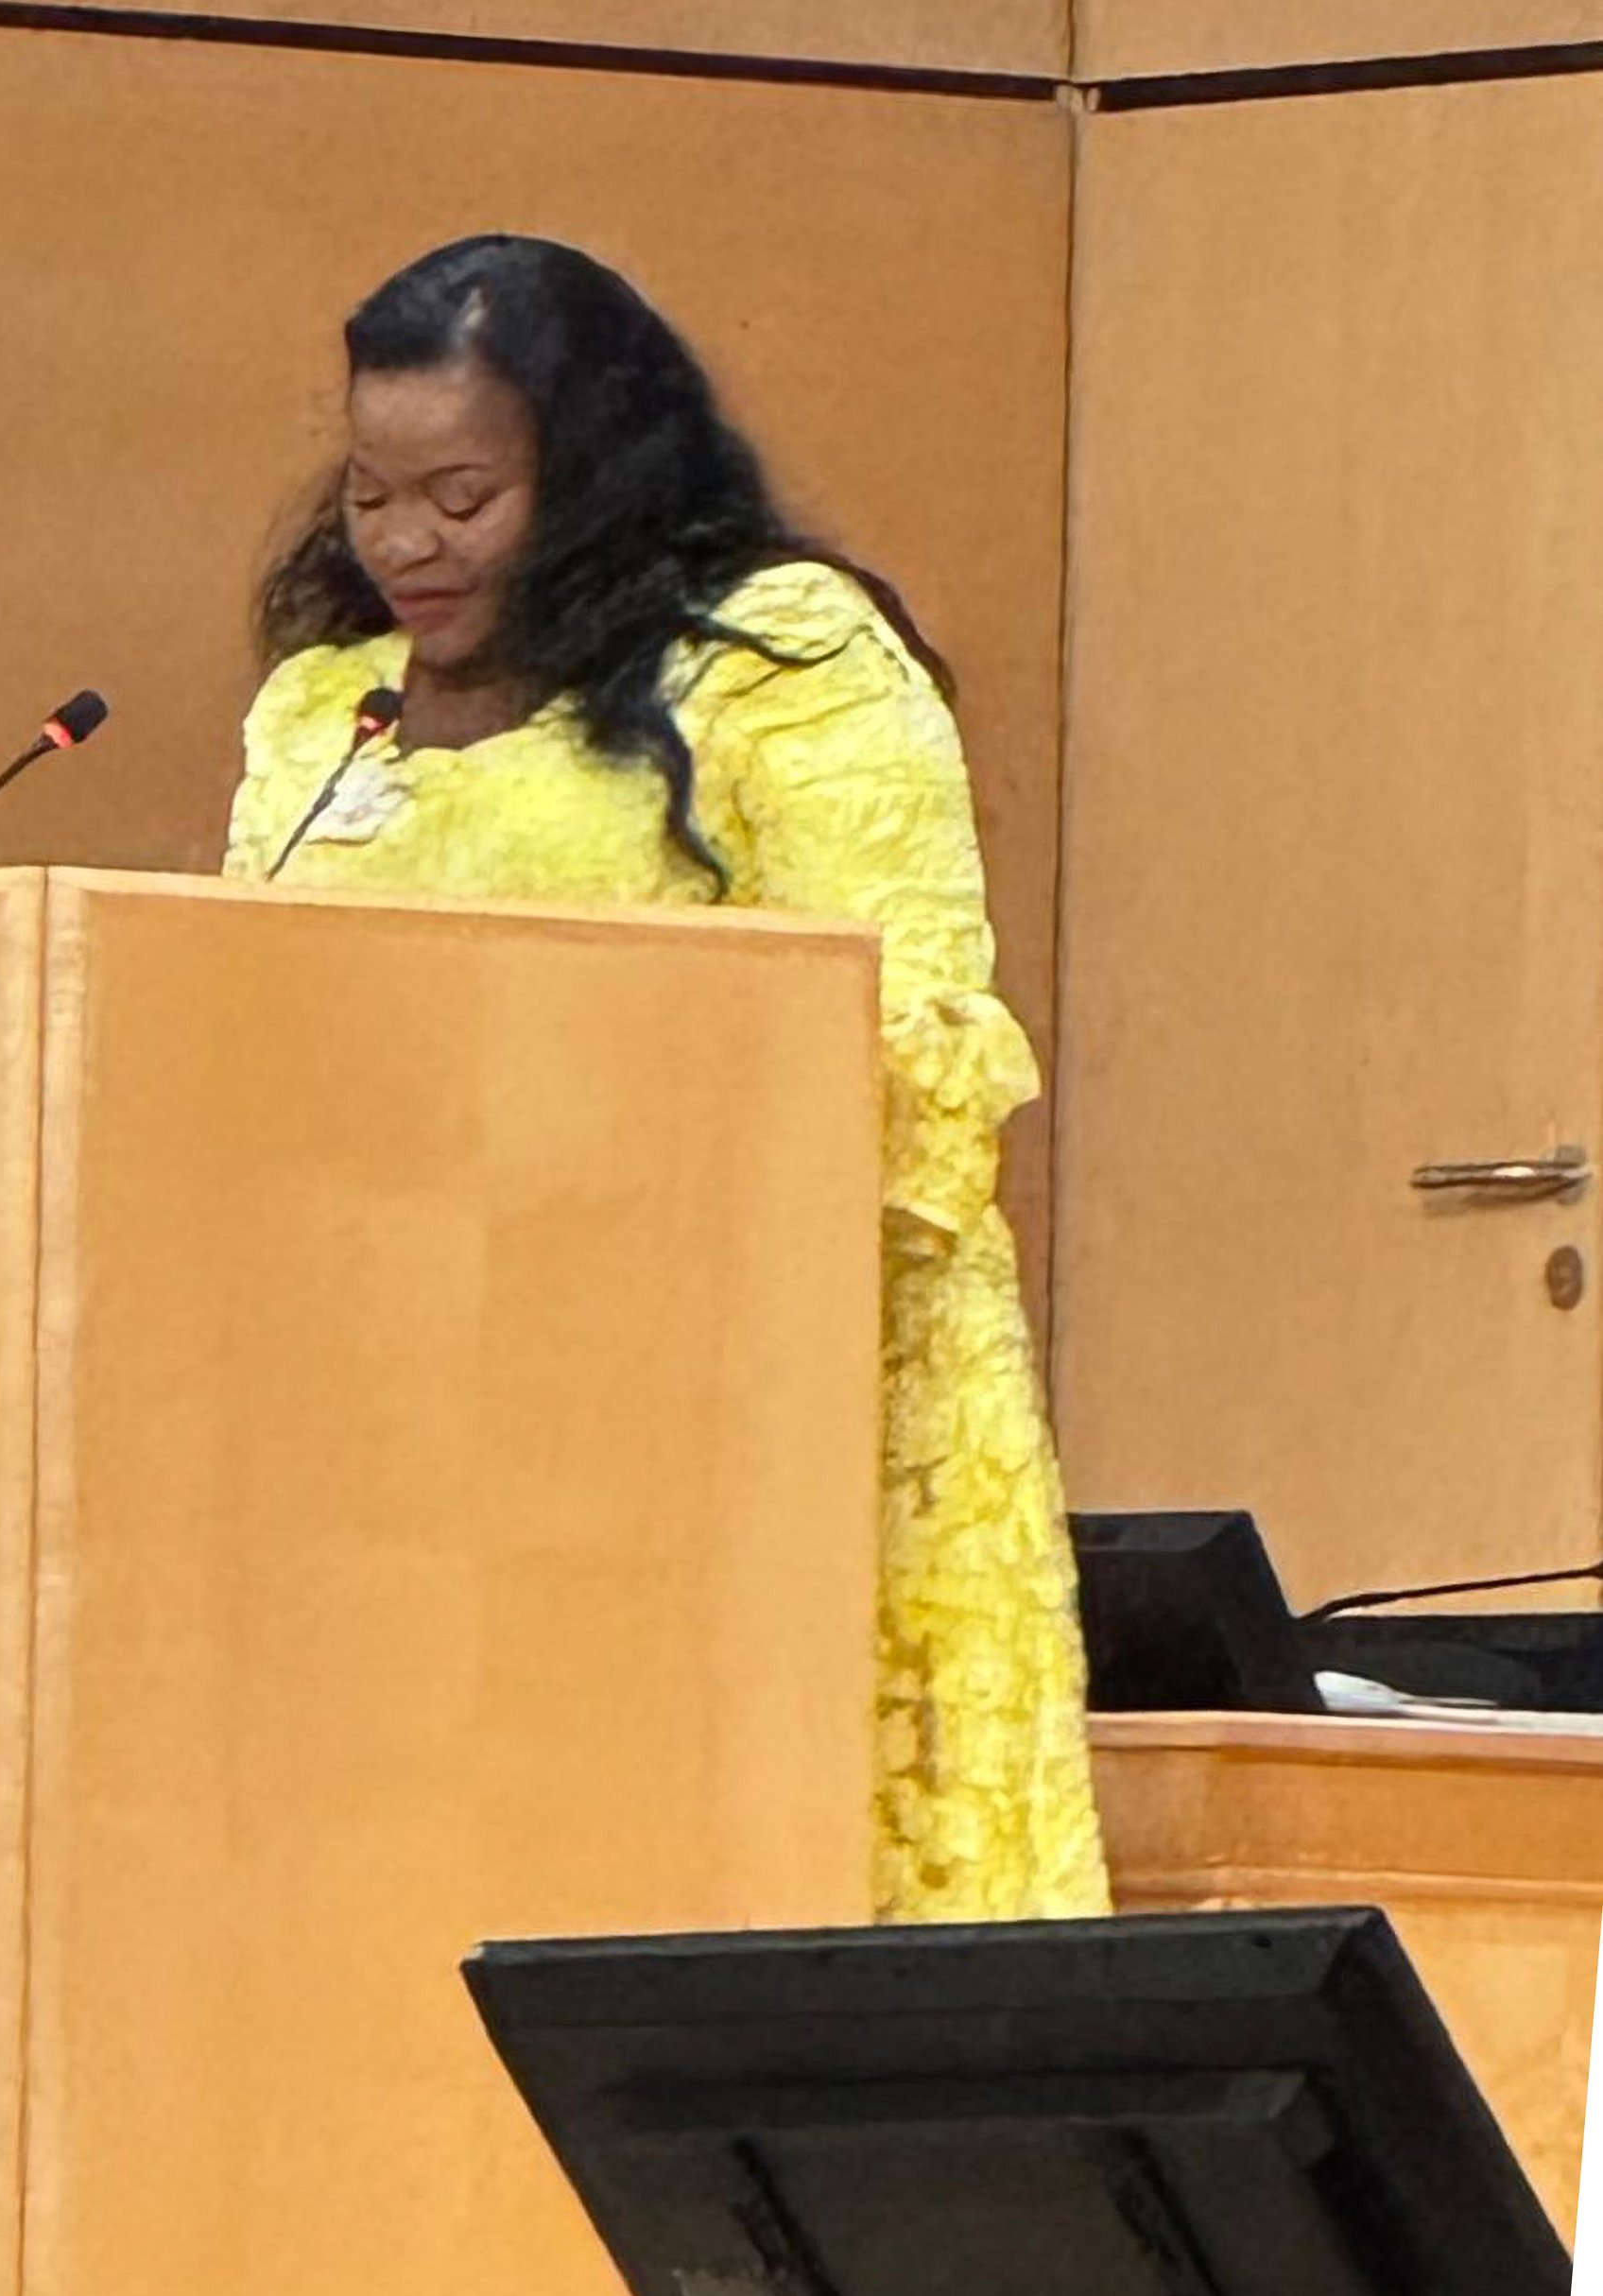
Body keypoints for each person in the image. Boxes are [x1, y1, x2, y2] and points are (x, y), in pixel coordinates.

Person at [224, 233, 1108, 1923]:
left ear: (596, 467)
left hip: (760, 1401)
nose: (406, 544)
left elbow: (916, 1049)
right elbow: (250, 1019)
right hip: (408, 1423)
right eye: (371, 495)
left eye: (463, 495)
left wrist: (574, 1108)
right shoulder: (319, 712)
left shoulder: (787, 660)